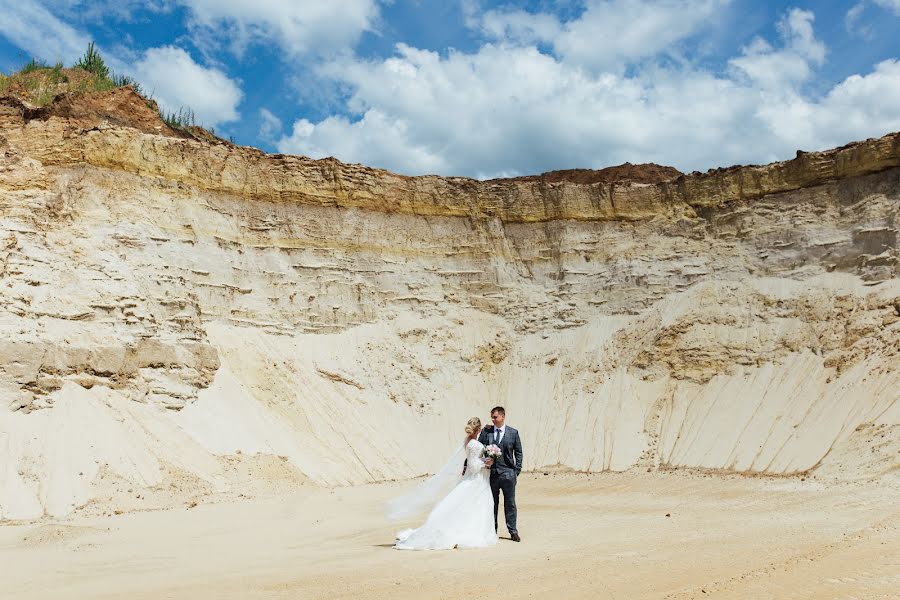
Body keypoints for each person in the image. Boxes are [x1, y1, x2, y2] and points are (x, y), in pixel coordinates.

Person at [391, 417, 497, 550]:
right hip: (476, 479)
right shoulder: (474, 444)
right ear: (479, 429)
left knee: (467, 506)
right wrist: (487, 462)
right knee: (475, 505)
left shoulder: (468, 441)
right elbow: (473, 466)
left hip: (476, 479)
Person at [478, 406, 523, 542]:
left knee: (510, 503)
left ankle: (513, 531)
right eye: (492, 417)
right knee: (492, 503)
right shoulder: (487, 432)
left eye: (495, 417)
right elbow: (479, 449)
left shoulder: (513, 433)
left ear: (503, 416)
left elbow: (519, 452)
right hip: (491, 475)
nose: (493, 419)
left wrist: (516, 470)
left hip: (509, 474)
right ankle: (493, 530)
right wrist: (485, 462)